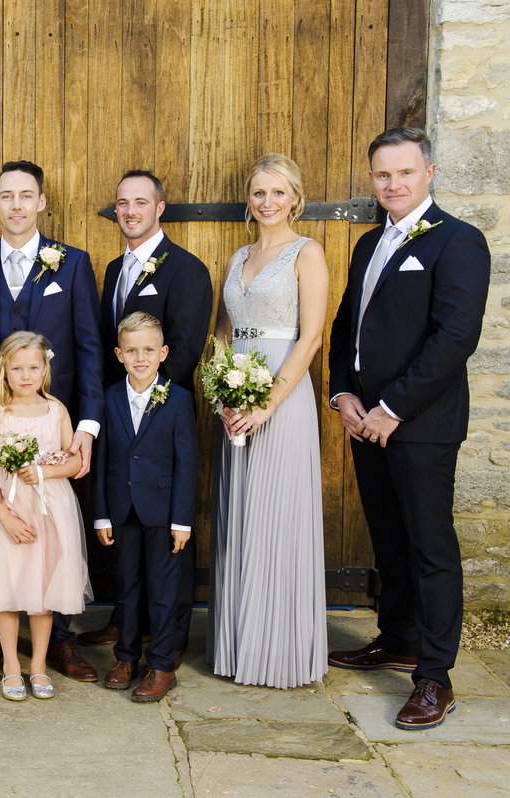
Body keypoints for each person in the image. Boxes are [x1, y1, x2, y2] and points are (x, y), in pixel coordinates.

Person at [326, 128, 490, 729]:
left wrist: (392, 408)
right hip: (364, 419)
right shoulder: (369, 244)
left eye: (404, 173)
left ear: (430, 172)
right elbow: (347, 327)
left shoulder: (459, 242)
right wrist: (344, 393)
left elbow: (455, 339)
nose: (392, 184)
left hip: (419, 423)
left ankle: (434, 677)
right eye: (382, 175)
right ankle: (396, 637)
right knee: (387, 536)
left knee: (430, 548)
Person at [0, 160, 102, 683]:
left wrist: (86, 428)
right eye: (7, 195)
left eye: (27, 195)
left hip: (53, 430)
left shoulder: (72, 263)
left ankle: (58, 643)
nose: (17, 205)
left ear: (42, 202)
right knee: (0, 532)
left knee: (55, 535)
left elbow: (89, 350)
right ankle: (3, 649)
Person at [206, 153, 329, 689]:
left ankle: (277, 651)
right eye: (259, 193)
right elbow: (226, 334)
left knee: (277, 511)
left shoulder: (308, 253)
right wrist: (225, 397)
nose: (267, 202)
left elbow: (311, 337)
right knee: (242, 514)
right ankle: (238, 645)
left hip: (282, 396)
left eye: (278, 193)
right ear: (248, 200)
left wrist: (267, 403)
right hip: (239, 391)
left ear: (295, 198)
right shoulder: (238, 257)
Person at [79, 170, 213, 655]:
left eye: (141, 202)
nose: (130, 211)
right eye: (122, 203)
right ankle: (125, 624)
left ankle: (167, 637)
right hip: (119, 417)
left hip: (161, 416)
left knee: (166, 538)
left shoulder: (186, 269)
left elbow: (183, 352)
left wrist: (146, 406)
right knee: (126, 532)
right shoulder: (116, 269)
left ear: (160, 208)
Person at [0, 332, 91, 701]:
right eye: (17, 368)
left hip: (49, 508)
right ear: (4, 371)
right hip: (7, 509)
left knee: (42, 589)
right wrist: (3, 516)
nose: (26, 375)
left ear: (45, 369)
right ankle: (10, 665)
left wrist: (42, 473)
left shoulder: (57, 410)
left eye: (33, 368)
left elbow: (73, 461)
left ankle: (37, 665)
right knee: (5, 588)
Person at [93, 313, 197, 702]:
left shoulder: (179, 398)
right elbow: (102, 461)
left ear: (163, 352)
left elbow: (187, 464)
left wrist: (182, 520)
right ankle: (125, 658)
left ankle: (162, 663)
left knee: (163, 590)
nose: (141, 358)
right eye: (132, 350)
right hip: (122, 511)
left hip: (164, 512)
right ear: (119, 354)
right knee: (127, 588)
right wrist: (101, 514)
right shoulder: (107, 397)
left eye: (149, 350)